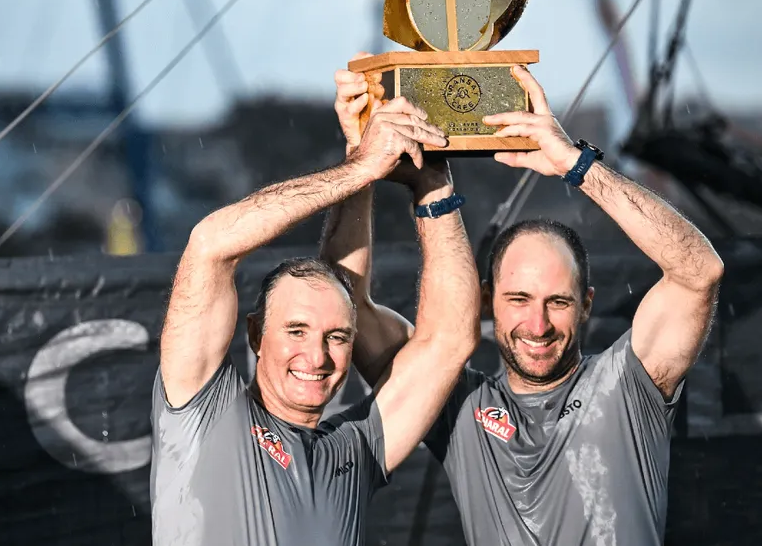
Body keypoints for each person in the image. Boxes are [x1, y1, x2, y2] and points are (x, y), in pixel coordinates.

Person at [325, 57, 724, 545]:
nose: (537, 324)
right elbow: (344, 308)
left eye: (557, 301)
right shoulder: (457, 404)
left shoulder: (628, 385)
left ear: (587, 305)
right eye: (519, 299)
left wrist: (576, 164)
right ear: (489, 301)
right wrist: (359, 158)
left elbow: (699, 273)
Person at [150, 97, 481, 545]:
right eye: (297, 331)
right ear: (256, 335)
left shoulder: (357, 446)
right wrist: (360, 168)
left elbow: (450, 342)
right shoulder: (205, 413)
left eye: (337, 336)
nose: (317, 355)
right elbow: (210, 244)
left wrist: (434, 184)